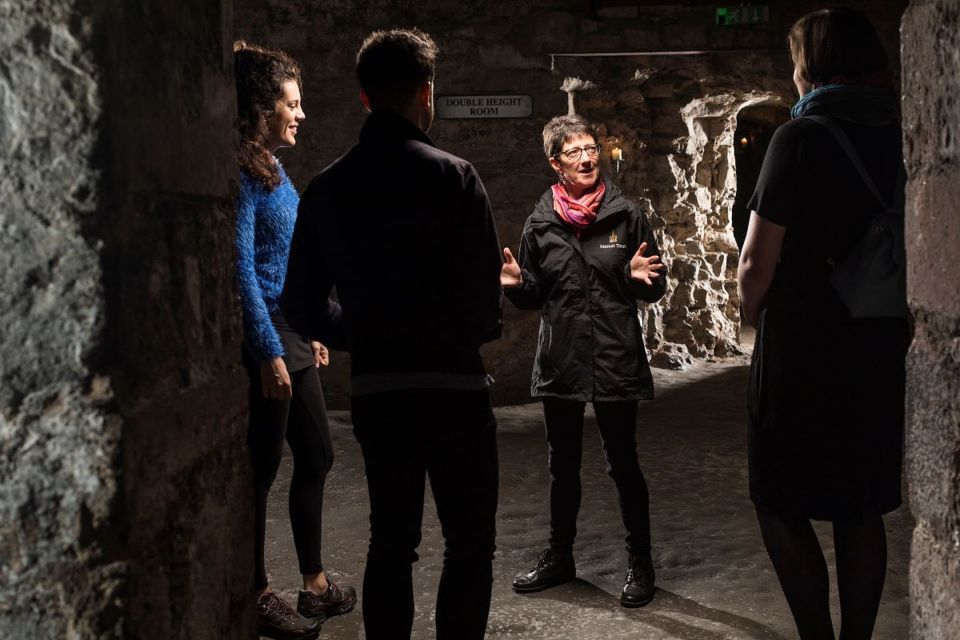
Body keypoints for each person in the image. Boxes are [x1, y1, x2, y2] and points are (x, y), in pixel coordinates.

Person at [280, 29, 503, 640]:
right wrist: (450, 332)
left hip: (380, 390)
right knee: (468, 543)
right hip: (454, 389)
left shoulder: (327, 186)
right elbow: (484, 306)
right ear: (426, 94)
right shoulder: (455, 176)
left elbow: (299, 301)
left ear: (363, 97)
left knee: (392, 541)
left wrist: (362, 332)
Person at [737, 9, 909, 640]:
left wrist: (750, 309)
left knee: (777, 495)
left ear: (811, 63)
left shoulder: (800, 136)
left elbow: (758, 258)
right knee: (859, 502)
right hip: (877, 333)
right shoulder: (900, 132)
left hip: (803, 340)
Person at [501, 114, 667, 608]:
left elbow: (656, 285)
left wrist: (642, 279)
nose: (588, 157)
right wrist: (518, 287)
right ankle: (560, 558)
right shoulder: (540, 224)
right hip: (562, 358)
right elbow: (537, 293)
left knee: (624, 463)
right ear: (556, 163)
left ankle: (641, 561)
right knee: (562, 466)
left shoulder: (626, 215)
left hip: (614, 355)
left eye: (591, 148)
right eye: (574, 153)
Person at [233, 40, 356, 640]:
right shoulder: (241, 174)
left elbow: (284, 265)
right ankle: (257, 591)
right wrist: (269, 349)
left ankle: (313, 587)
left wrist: (308, 328)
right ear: (262, 107)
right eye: (293, 102)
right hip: (271, 331)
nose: (302, 113)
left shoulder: (272, 169)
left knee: (318, 455)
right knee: (262, 467)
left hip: (292, 327)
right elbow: (243, 271)